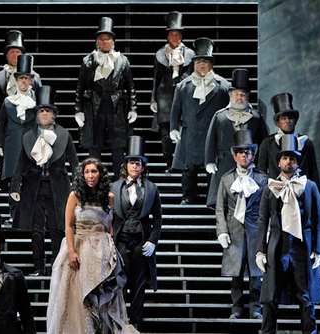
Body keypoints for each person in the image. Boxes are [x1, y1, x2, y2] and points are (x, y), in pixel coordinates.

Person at [47, 158, 138, 334]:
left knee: (104, 294)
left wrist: (111, 251)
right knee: (79, 296)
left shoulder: (109, 197)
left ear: (100, 175)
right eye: (87, 171)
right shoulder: (75, 196)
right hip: (80, 247)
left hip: (102, 250)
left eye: (94, 171)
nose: (90, 175)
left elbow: (109, 226)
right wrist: (72, 251)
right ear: (82, 175)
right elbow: (68, 226)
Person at [256, 134, 320, 334]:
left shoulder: (309, 186)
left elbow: (319, 220)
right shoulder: (270, 188)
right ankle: (268, 332)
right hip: (278, 246)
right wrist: (260, 250)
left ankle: (309, 332)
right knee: (271, 296)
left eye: (292, 158)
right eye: (285, 158)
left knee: (305, 295)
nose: (289, 162)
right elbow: (263, 220)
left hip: (302, 247)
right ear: (279, 163)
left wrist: (319, 250)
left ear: (298, 162)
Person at [10, 86, 78, 276]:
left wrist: (77, 187)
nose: (45, 114)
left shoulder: (64, 135)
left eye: (48, 110)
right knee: (36, 229)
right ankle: (39, 267)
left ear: (54, 115)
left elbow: (74, 162)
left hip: (59, 187)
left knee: (57, 228)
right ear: (37, 114)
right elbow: (20, 163)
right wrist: (15, 186)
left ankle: (56, 266)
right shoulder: (29, 137)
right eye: (42, 110)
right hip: (35, 187)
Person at [75, 17, 137, 180]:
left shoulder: (122, 60)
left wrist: (133, 108)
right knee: (94, 144)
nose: (105, 41)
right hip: (94, 106)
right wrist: (78, 111)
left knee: (118, 145)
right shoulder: (88, 60)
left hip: (117, 106)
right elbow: (80, 86)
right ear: (97, 41)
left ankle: (119, 180)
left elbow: (130, 85)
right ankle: (93, 181)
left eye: (108, 38)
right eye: (101, 38)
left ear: (112, 41)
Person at [170, 37, 230, 205]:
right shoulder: (184, 85)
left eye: (205, 61)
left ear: (211, 64)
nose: (201, 64)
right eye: (198, 61)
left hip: (213, 133)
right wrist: (174, 128)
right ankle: (188, 196)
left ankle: (212, 199)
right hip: (190, 132)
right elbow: (176, 109)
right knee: (189, 168)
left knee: (212, 167)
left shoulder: (223, 85)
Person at [215, 130, 268, 320]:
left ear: (253, 155)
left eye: (248, 152)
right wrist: (222, 231)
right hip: (234, 229)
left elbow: (268, 208)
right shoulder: (227, 179)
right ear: (235, 156)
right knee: (236, 271)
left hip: (256, 229)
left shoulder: (262, 179)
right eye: (241, 152)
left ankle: (256, 307)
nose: (245, 155)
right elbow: (220, 207)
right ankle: (236, 308)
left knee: (256, 270)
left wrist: (267, 231)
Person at [111, 136, 162, 331]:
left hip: (141, 242)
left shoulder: (151, 188)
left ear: (142, 167)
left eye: (138, 163)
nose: (134, 166)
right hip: (121, 241)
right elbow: (110, 217)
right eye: (131, 162)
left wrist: (152, 240)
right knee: (121, 283)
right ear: (126, 165)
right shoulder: (115, 187)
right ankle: (122, 322)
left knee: (139, 285)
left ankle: (136, 323)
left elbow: (157, 217)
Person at [205, 69, 268, 209]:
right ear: (230, 95)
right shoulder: (220, 116)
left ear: (248, 96)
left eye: (243, 94)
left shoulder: (256, 117)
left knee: (249, 200)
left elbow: (264, 143)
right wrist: (209, 161)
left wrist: (263, 164)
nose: (239, 97)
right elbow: (211, 139)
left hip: (249, 164)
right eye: (236, 94)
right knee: (224, 200)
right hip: (224, 163)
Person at [0, 30, 42, 157]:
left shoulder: (34, 77)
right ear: (6, 55)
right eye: (12, 52)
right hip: (4, 127)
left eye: (18, 52)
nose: (15, 55)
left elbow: (41, 101)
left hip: (27, 125)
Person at [150, 11, 195, 172]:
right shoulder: (160, 54)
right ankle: (169, 162)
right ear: (167, 36)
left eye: (177, 34)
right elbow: (155, 79)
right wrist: (153, 100)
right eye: (171, 34)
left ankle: (182, 162)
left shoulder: (190, 54)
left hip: (184, 96)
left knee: (184, 130)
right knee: (166, 133)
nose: (175, 37)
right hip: (165, 97)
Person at [0, 54, 37, 219]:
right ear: (17, 80)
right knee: (13, 180)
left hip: (31, 145)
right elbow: (1, 125)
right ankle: (13, 214)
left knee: (30, 179)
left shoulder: (37, 101)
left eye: (26, 78)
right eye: (20, 78)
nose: (24, 81)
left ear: (31, 81)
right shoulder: (8, 101)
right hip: (12, 145)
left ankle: (30, 214)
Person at [258, 92, 320, 189]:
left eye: (290, 118)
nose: (288, 121)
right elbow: (261, 171)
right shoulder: (268, 143)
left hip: (301, 191)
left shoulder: (306, 143)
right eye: (284, 118)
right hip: (276, 191)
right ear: (278, 123)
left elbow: (313, 170)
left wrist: (314, 194)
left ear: (295, 121)